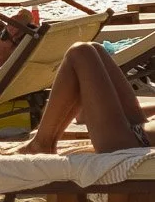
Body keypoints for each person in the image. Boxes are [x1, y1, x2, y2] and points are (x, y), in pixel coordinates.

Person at [21, 41, 151, 154]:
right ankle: (82, 109)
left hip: (132, 143)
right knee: (94, 47)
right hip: (141, 129)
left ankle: (42, 143)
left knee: (80, 52)